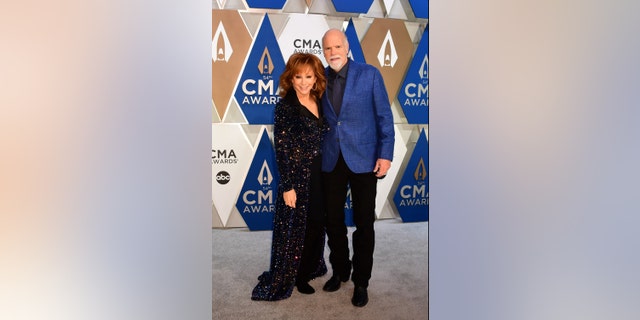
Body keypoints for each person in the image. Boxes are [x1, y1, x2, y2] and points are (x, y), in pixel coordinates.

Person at [320, 28, 395, 307]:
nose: (333, 52)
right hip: (331, 158)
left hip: (364, 158)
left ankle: (361, 281)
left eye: (338, 46)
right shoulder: (320, 77)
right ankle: (341, 270)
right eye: (327, 48)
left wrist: (385, 154)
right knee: (333, 221)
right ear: (323, 51)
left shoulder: (370, 74)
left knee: (364, 223)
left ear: (347, 47)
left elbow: (384, 117)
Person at [251, 53, 328, 301]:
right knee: (296, 228)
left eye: (309, 76)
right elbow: (282, 148)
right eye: (298, 77)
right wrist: (287, 186)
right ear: (290, 78)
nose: (304, 82)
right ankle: (298, 275)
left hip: (320, 172)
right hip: (297, 176)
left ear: (316, 79)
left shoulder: (321, 100)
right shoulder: (285, 107)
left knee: (317, 223)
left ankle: (310, 266)